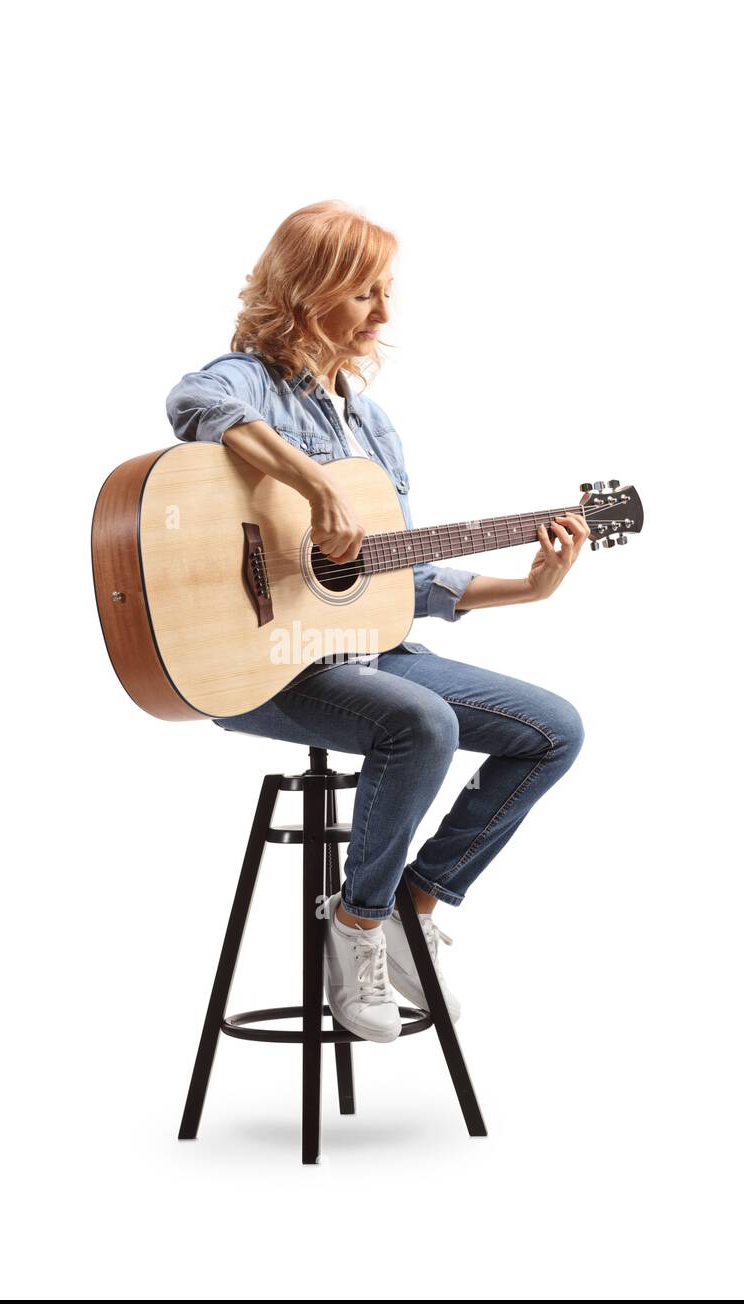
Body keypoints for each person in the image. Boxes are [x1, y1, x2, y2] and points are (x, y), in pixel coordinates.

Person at [165, 200, 589, 1045]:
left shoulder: (372, 426)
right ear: (307, 291)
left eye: (384, 294)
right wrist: (315, 488)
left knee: (553, 729)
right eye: (365, 294)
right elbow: (194, 401)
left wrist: (527, 587)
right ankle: (354, 926)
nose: (384, 315)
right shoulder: (247, 379)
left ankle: (409, 901)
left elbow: (392, 573)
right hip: (263, 667)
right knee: (422, 723)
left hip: (368, 651)